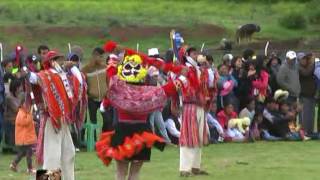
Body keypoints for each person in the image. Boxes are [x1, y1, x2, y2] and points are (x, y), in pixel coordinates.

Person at [97, 42, 182, 180]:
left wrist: (113, 56)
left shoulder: (118, 88)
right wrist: (180, 73)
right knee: (135, 173)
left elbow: (111, 73)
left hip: (122, 130)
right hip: (142, 132)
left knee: (120, 173)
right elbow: (169, 88)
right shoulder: (149, 92)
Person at [28, 50, 86, 180]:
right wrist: (25, 70)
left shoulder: (63, 76)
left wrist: (74, 68)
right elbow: (33, 78)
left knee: (69, 153)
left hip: (63, 120)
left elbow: (80, 84)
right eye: (59, 59)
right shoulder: (45, 75)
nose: (63, 62)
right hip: (52, 120)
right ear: (52, 62)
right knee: (52, 155)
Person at [82, 48, 111, 137]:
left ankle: (105, 138)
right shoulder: (86, 69)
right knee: (93, 121)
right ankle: (93, 140)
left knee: (107, 120)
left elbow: (108, 81)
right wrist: (87, 94)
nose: (101, 59)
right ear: (94, 56)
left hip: (103, 99)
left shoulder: (105, 67)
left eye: (102, 57)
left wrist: (108, 92)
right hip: (92, 99)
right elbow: (84, 84)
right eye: (100, 56)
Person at [10, 80, 37, 174]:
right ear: (22, 104)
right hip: (24, 139)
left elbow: (28, 122)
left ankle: (14, 163)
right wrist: (31, 116)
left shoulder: (25, 113)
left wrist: (32, 121)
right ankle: (30, 168)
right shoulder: (21, 113)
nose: (29, 106)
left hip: (26, 138)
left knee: (22, 153)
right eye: (27, 104)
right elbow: (25, 122)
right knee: (29, 153)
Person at [298, 52, 316, 135]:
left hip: (311, 95)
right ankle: (304, 132)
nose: (304, 60)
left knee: (311, 115)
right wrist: (312, 62)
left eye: (305, 58)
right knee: (304, 115)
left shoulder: (308, 66)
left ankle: (310, 131)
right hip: (304, 95)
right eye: (302, 59)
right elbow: (306, 73)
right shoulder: (299, 68)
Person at [4, 79, 24, 151]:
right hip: (11, 121)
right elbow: (17, 110)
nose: (21, 89)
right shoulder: (9, 97)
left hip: (18, 120)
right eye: (20, 87)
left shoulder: (19, 96)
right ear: (16, 88)